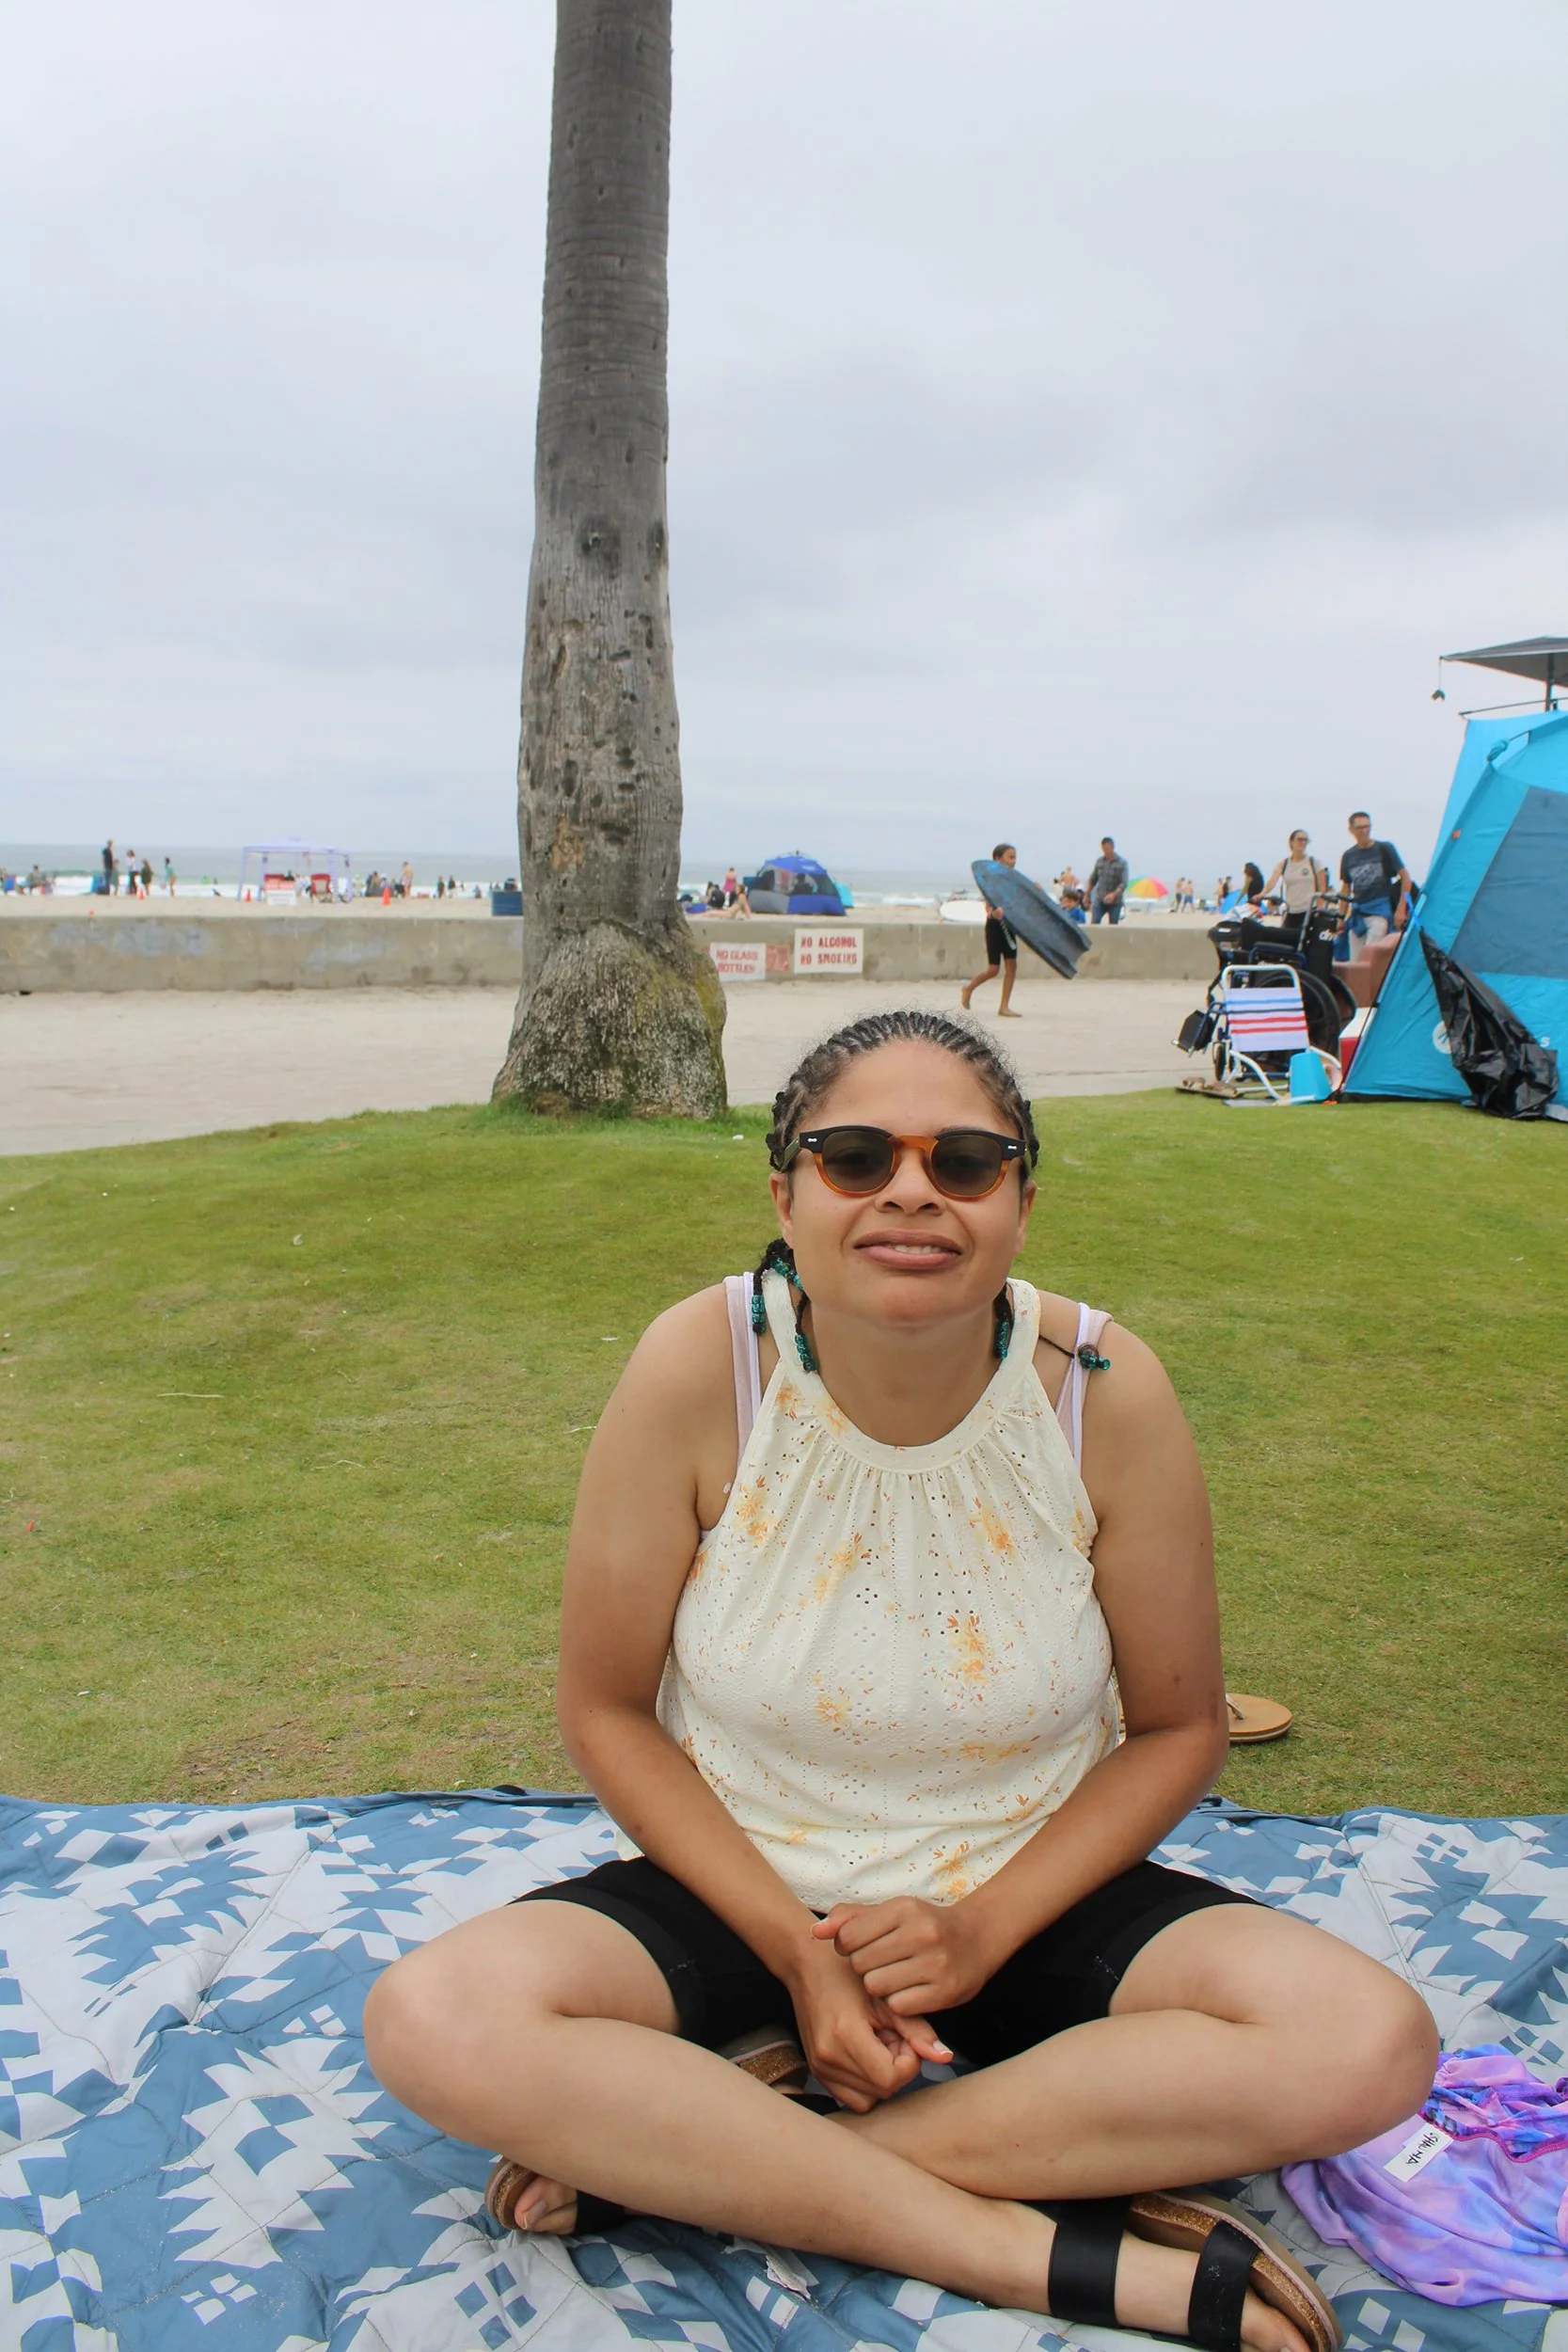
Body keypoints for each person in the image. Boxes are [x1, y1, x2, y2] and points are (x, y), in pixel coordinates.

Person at [365, 1009, 1436, 2352]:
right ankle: (1020, 2246)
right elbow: (603, 1710)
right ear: (786, 1192)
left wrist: (980, 1929)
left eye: (964, 1162)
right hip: (745, 1881)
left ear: (1020, 1203)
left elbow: (1170, 1731)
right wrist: (794, 1959)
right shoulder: (706, 1368)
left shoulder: (1100, 1389)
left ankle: (712, 2147)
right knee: (435, 2017)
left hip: (1023, 1885)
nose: (910, 1192)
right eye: (855, 1157)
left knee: (1363, 2041)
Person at [1338, 814, 1409, 961]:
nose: (1364, 831)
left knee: (1369, 960)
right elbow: (1346, 887)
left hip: (1380, 912)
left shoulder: (1384, 848)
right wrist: (1340, 918)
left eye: (1367, 827)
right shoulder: (1348, 856)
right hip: (1358, 915)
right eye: (1360, 827)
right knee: (1355, 964)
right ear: (1351, 830)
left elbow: (1406, 878)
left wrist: (1401, 909)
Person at [959, 843, 1021, 1017]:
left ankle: (1004, 1006)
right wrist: (993, 913)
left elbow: (1022, 901)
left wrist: (1036, 890)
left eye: (1015, 857)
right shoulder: (989, 880)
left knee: (1012, 966)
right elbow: (988, 906)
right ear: (997, 858)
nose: (1013, 861)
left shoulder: (1014, 880)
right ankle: (968, 988)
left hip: (1009, 926)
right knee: (993, 969)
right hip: (995, 926)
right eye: (1010, 857)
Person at [1263, 834, 1325, 922]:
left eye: (1306, 840)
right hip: (1291, 911)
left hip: (1310, 911)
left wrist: (1320, 909)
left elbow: (1322, 888)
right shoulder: (1284, 864)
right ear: (1291, 842)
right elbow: (1273, 880)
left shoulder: (1315, 863)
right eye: (1300, 839)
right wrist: (1263, 893)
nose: (1303, 843)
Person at [1088, 837, 1129, 924]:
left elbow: (1124, 883)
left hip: (1115, 901)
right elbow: (1093, 879)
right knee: (1094, 922)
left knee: (1113, 925)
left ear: (1112, 847)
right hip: (1100, 899)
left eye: (1108, 849)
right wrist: (1086, 894)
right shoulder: (1099, 861)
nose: (1106, 852)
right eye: (1104, 849)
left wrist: (1114, 894)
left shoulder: (1122, 863)